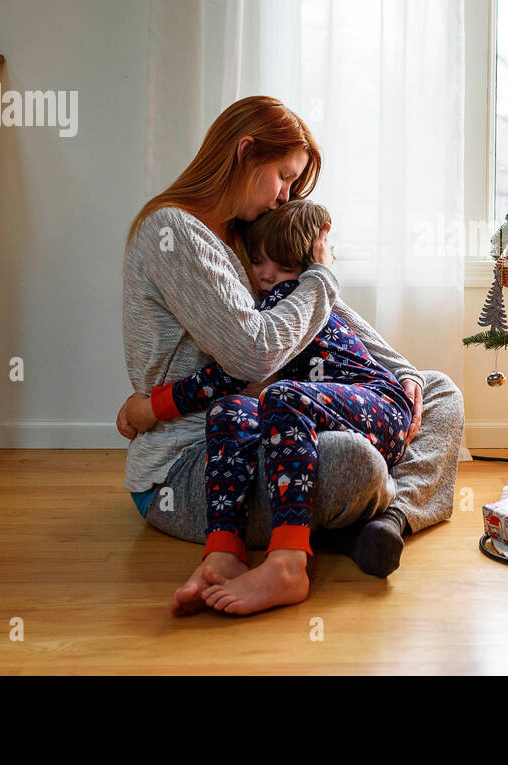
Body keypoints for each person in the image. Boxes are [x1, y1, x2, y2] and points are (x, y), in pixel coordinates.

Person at [120, 96, 463, 615]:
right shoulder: (174, 234)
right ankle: (371, 512)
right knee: (356, 461)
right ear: (245, 152)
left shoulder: (243, 233)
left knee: (439, 389)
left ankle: (388, 519)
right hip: (199, 464)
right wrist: (320, 274)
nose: (285, 197)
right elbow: (254, 354)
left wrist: (404, 375)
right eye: (283, 176)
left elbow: (329, 312)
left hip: (275, 425)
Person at [122, 199, 413, 614]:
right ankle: (225, 550)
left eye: (283, 270)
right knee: (233, 410)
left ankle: (290, 562)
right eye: (259, 262)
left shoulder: (292, 299)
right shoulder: (262, 288)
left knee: (281, 396)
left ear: (307, 272)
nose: (266, 277)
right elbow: (234, 384)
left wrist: (154, 405)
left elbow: (230, 372)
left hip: (380, 405)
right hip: (330, 413)